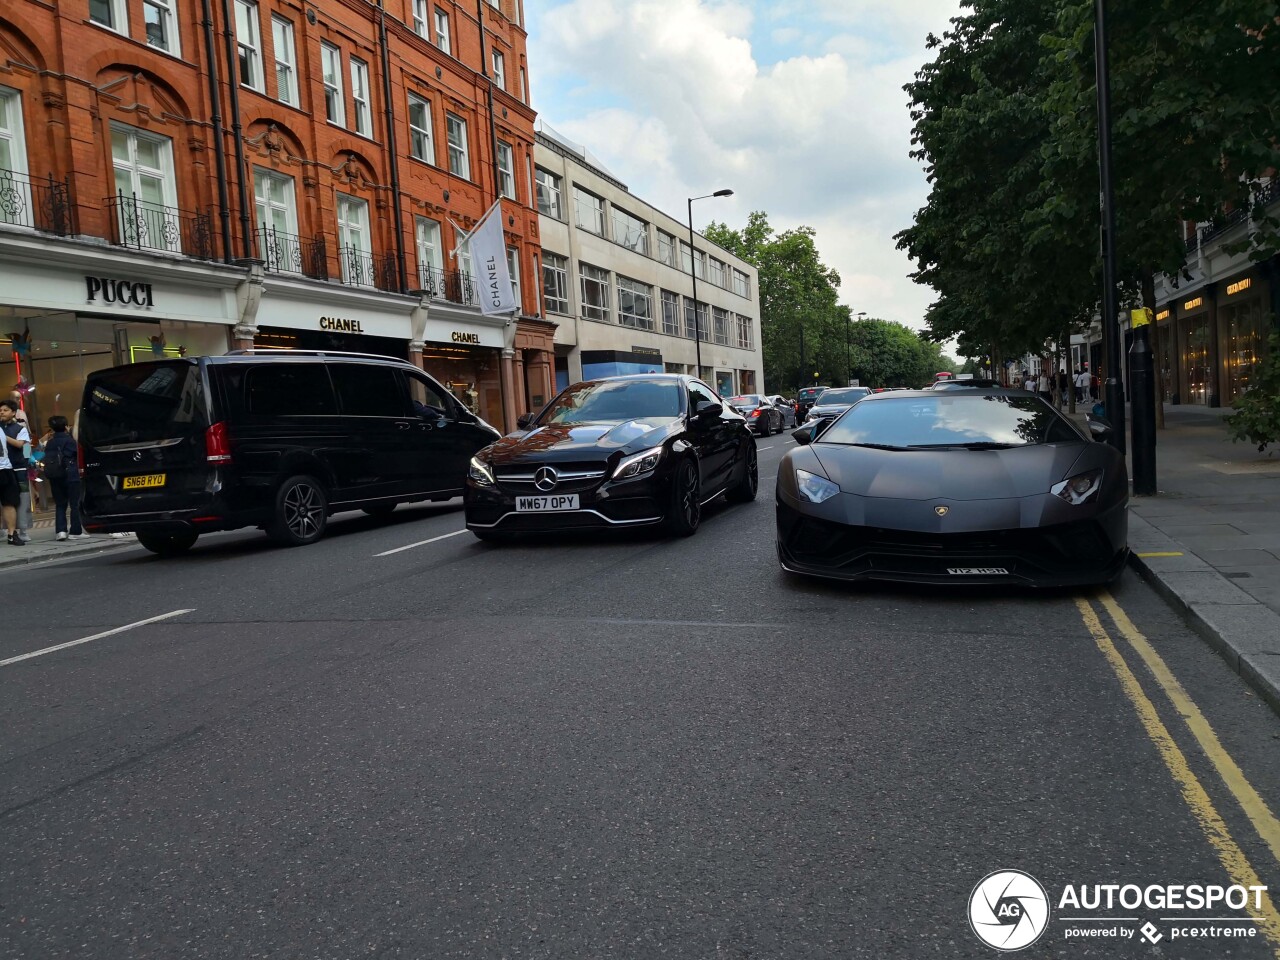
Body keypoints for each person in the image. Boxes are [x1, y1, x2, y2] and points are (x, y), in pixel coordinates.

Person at [40, 415, 87, 541]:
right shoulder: (70, 441)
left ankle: (60, 531)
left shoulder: (49, 442)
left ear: (52, 429)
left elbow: (37, 454)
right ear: (66, 427)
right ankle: (75, 531)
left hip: (55, 476)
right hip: (70, 475)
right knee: (74, 504)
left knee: (60, 504)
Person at [0, 400, 32, 543]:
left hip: (19, 469)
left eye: (5, 410)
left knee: (22, 500)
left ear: (13, 412)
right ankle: (4, 530)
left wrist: (28, 463)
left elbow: (24, 447)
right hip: (5, 469)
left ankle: (23, 530)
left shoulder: (20, 428)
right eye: (0, 410)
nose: (2, 413)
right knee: (7, 502)